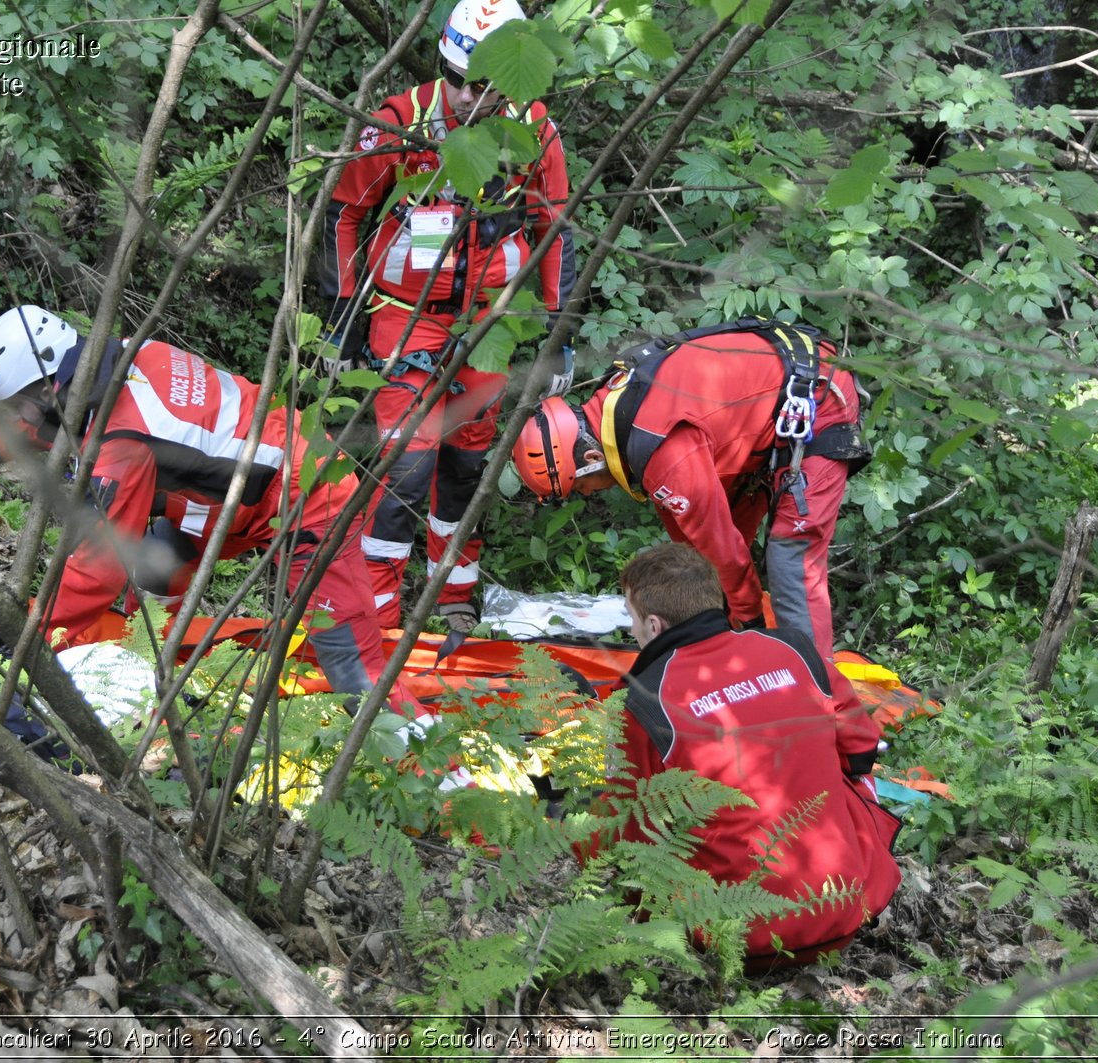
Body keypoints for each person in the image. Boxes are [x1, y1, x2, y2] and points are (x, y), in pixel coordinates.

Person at [0, 305, 415, 710]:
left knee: (352, 662)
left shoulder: (124, 444)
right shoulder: (126, 355)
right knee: (160, 567)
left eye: (15, 406)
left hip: (308, 497)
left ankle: (433, 777)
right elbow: (69, 418)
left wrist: (32, 629)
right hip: (231, 487)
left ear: (47, 387)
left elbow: (98, 571)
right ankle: (154, 673)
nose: (16, 418)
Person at [318, 0, 578, 633]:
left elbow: (554, 230)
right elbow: (344, 216)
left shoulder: (533, 130)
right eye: (458, 79)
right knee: (406, 468)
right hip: (404, 320)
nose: (469, 97)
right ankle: (375, 606)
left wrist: (556, 332)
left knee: (465, 467)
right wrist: (343, 321)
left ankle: (451, 591)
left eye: (484, 85)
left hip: (493, 328)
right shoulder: (400, 123)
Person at [606, 542, 900, 969]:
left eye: (631, 620)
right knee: (849, 775)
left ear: (653, 624)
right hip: (846, 909)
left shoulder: (641, 702)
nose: (632, 631)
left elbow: (628, 831)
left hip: (732, 937)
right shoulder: (794, 648)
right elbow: (860, 751)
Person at [512, 317, 868, 660]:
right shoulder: (621, 414)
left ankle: (816, 691)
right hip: (761, 415)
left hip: (816, 401)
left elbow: (723, 550)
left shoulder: (662, 450)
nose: (588, 494)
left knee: (790, 558)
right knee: (712, 564)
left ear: (591, 456)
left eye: (580, 485)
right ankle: (732, 651)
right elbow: (695, 544)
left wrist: (749, 622)